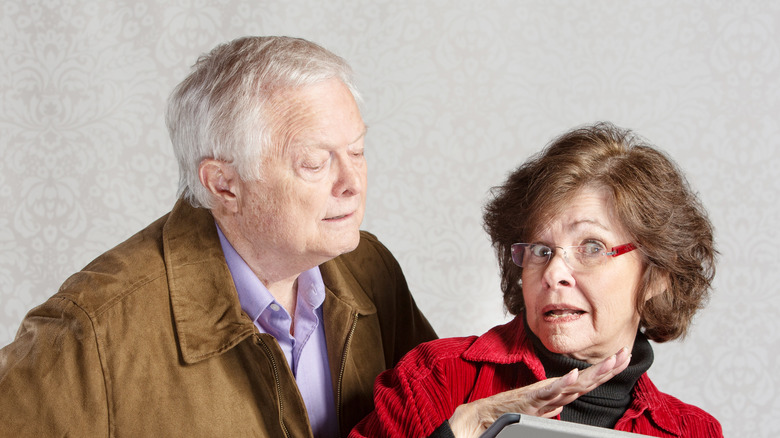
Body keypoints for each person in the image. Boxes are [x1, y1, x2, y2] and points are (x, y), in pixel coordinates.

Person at [0, 36, 436, 437]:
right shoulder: (88, 332)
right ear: (224, 184)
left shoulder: (372, 268)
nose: (352, 183)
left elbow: (439, 408)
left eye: (357, 152)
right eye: (314, 163)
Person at [351, 122, 723, 438]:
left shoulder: (693, 431)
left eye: (592, 247)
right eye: (540, 251)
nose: (553, 273)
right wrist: (464, 427)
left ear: (658, 273)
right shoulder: (434, 380)